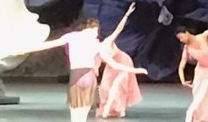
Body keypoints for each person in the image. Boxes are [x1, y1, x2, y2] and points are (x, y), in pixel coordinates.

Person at [13, 10, 148, 122]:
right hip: (88, 78)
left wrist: (24, 50)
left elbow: (47, 45)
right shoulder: (96, 44)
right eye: (96, 31)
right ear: (90, 29)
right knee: (82, 114)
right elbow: (115, 65)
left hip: (77, 77)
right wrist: (136, 70)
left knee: (76, 114)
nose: (96, 35)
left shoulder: (72, 37)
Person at [96, 3, 141, 118]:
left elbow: (118, 30)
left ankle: (119, 109)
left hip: (123, 61)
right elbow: (97, 63)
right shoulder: (97, 49)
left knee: (119, 85)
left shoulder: (108, 41)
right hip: (112, 65)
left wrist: (126, 15)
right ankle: (107, 107)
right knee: (105, 87)